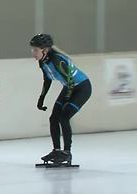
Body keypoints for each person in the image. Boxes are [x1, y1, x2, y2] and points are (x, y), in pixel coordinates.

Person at [30, 34, 92, 164]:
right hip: (69, 87)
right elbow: (47, 79)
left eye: (35, 50)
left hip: (81, 88)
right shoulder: (43, 62)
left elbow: (70, 82)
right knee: (53, 118)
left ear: (45, 50)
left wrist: (67, 100)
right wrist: (41, 98)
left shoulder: (57, 60)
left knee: (64, 117)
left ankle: (67, 152)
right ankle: (57, 150)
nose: (33, 53)